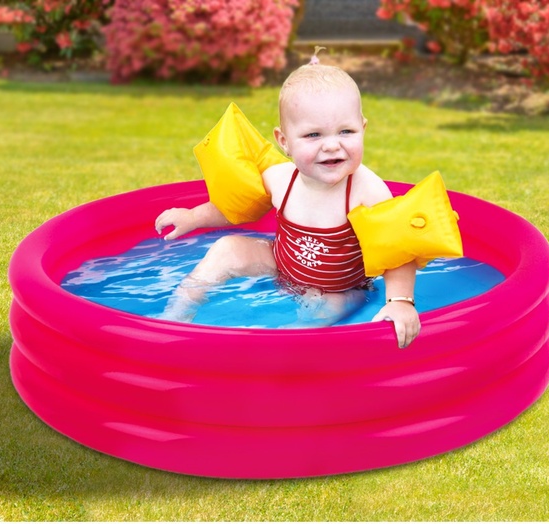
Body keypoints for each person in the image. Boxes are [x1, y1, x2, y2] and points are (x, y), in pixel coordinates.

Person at [154, 56, 421, 348]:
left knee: (329, 306)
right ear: (284, 141)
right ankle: (175, 316)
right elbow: (235, 205)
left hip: (340, 288)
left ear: (363, 128)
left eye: (346, 131)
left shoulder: (366, 191)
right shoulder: (280, 178)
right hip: (281, 266)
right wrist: (193, 217)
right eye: (313, 134)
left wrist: (400, 302)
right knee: (227, 247)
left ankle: (280, 343)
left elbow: (399, 250)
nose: (332, 144)